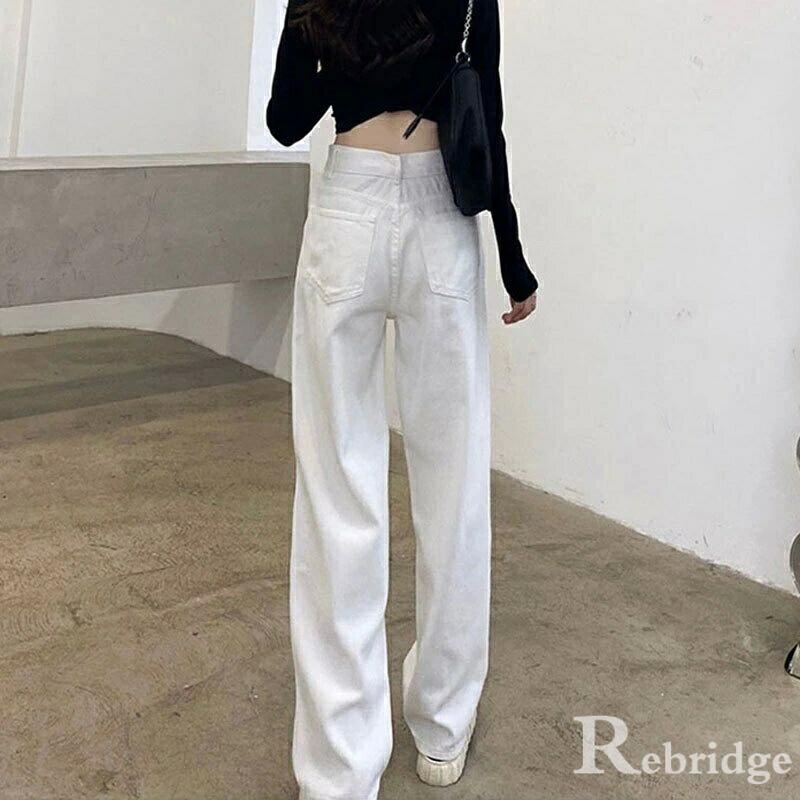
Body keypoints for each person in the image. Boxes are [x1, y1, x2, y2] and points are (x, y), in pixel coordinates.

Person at [267, 1, 537, 797]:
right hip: (440, 221)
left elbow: (285, 120)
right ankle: (443, 729)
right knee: (454, 489)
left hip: (347, 210)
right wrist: (514, 260)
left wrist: (347, 56)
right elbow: (486, 113)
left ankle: (340, 770)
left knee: (336, 493)